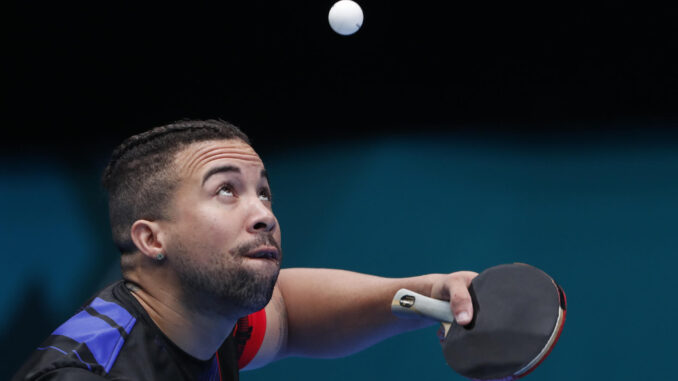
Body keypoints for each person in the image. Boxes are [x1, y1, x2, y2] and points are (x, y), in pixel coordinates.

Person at [13, 119, 478, 381]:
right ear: (152, 239)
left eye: (264, 193)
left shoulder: (211, 327)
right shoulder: (87, 375)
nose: (265, 215)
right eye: (226, 192)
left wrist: (431, 296)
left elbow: (292, 313)